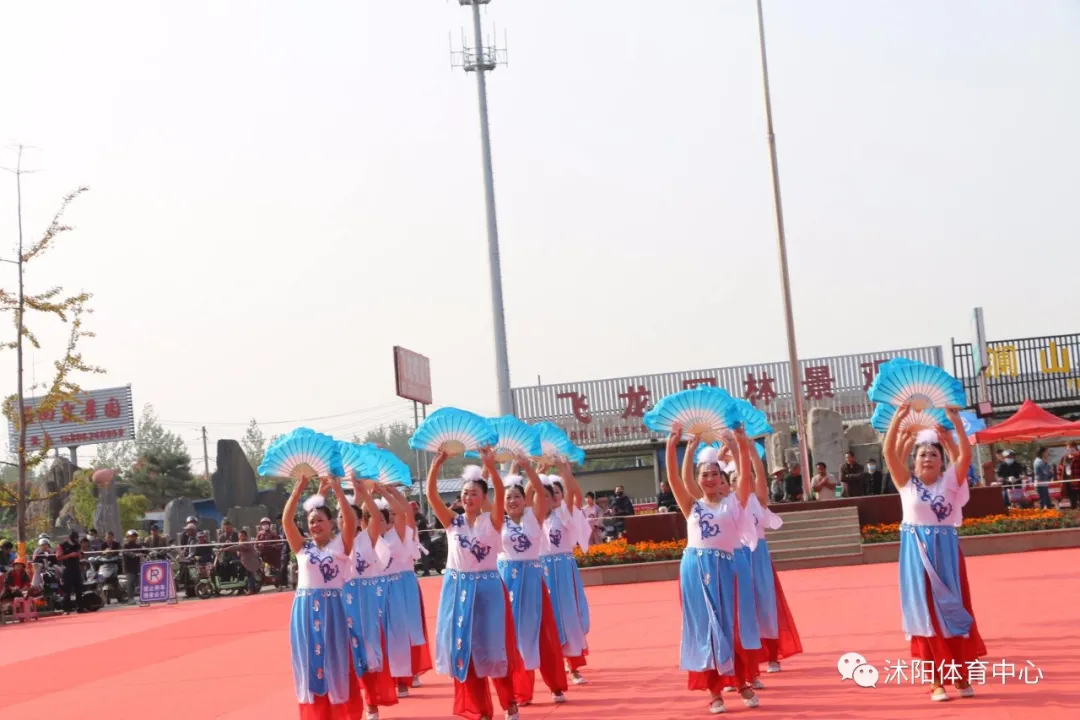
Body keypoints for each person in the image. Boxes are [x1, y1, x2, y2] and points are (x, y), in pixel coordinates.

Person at [882, 404, 984, 702]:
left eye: (934, 454)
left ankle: (961, 674)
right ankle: (936, 681)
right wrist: (899, 419)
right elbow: (889, 454)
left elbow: (964, 456)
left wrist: (955, 426)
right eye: (922, 454)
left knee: (953, 611)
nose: (928, 458)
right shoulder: (906, 484)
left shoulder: (950, 484)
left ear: (942, 463)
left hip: (947, 556)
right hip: (916, 556)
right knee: (925, 615)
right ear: (914, 462)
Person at [668, 425, 760, 713]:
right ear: (698, 480)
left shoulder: (733, 504)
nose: (710, 478)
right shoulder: (691, 506)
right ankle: (714, 691)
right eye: (704, 474)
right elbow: (675, 478)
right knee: (704, 629)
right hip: (695, 569)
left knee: (729, 627)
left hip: (725, 569)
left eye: (715, 474)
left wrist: (739, 446)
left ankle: (742, 681)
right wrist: (676, 446)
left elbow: (744, 476)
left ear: (723, 479)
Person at [427, 448, 523, 720]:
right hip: (457, 592)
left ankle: (509, 702)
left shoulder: (492, 521)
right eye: (465, 493)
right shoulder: (452, 523)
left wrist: (490, 467)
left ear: (484, 498)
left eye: (474, 493)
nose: (468, 497)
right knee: (464, 650)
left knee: (493, 650)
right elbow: (431, 497)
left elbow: (501, 494)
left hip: (488, 591)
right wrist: (436, 466)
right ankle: (480, 710)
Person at [283, 473, 358, 718]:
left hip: (333, 610)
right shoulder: (302, 547)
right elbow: (287, 521)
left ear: (331, 523)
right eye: (311, 521)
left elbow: (350, 519)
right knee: (309, 663)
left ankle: (340, 712)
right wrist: (300, 490)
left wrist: (337, 490)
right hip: (304, 611)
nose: (315, 525)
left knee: (335, 663)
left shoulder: (341, 546)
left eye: (320, 520)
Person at [501, 455, 569, 706]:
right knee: (514, 637)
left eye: (517, 496)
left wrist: (527, 466)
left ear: (524, 499)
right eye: (508, 497)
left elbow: (539, 491)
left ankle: (556, 686)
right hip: (507, 581)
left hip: (532, 579)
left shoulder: (533, 516)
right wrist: (507, 469)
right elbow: (494, 494)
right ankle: (521, 691)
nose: (512, 501)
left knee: (543, 633)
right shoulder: (498, 520)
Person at [529, 463, 592, 686]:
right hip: (540, 572)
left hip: (563, 572)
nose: (551, 498)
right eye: (545, 494)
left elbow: (575, 493)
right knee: (545, 619)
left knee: (568, 618)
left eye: (555, 493)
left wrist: (564, 469)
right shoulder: (532, 518)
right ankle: (549, 665)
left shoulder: (563, 515)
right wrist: (533, 471)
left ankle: (572, 666)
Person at [340, 480, 398, 720]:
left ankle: (371, 704)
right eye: (343, 519)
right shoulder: (336, 544)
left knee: (368, 651)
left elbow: (374, 514)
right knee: (347, 652)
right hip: (344, 603)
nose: (347, 523)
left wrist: (362, 493)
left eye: (352, 518)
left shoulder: (368, 538)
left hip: (365, 602)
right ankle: (351, 705)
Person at [377, 482, 432, 696]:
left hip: (403, 585)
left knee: (407, 631)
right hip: (381, 589)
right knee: (387, 635)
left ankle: (407, 674)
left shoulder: (403, 532)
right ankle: (394, 675)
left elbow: (404, 512)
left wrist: (388, 490)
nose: (389, 516)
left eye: (391, 513)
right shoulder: (373, 537)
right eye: (384, 514)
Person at [56, 531, 84, 614]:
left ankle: (80, 608)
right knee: (67, 590)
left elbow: (82, 554)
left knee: (79, 589)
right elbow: (58, 557)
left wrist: (79, 555)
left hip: (76, 568)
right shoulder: (62, 545)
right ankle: (67, 609)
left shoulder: (77, 544)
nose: (75, 539)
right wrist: (70, 555)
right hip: (67, 569)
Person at [257, 517, 288, 588]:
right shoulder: (259, 534)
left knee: (277, 568)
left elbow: (279, 544)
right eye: (263, 524)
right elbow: (256, 543)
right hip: (263, 555)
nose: (265, 525)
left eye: (266, 524)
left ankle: (279, 582)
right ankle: (262, 580)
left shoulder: (274, 534)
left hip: (273, 555)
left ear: (269, 524)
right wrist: (258, 546)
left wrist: (274, 547)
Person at [121, 530, 143, 603]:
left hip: (137, 566)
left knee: (139, 582)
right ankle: (130, 598)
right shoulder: (125, 545)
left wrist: (148, 551)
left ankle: (143, 597)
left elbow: (144, 550)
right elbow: (126, 552)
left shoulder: (138, 545)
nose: (133, 538)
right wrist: (134, 554)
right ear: (127, 537)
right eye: (131, 536)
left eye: (134, 536)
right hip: (129, 567)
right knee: (130, 582)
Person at [1060, 442, 1080, 510]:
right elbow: (1061, 469)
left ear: (1075, 448)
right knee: (1072, 501)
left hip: (1077, 482)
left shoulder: (1078, 456)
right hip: (1069, 483)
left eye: (1071, 448)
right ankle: (1075, 515)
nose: (1069, 449)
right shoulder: (1064, 458)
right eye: (1068, 448)